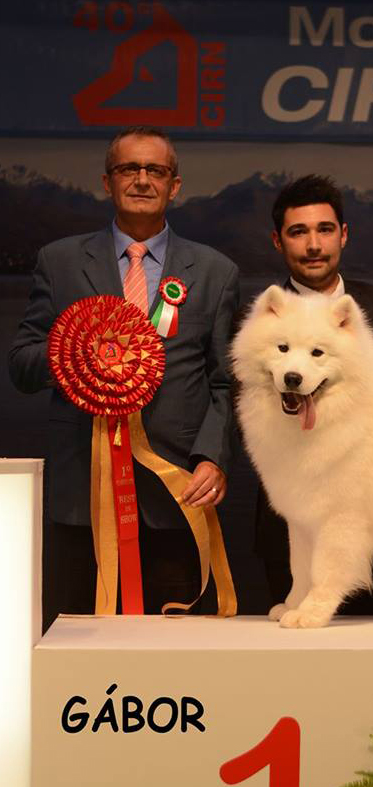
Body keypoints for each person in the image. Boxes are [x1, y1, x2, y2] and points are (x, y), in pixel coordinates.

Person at [8, 126, 239, 628]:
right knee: (77, 647)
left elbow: (224, 382)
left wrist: (212, 460)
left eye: (154, 170)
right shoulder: (60, 260)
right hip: (82, 497)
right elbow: (22, 365)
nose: (141, 180)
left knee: (176, 656)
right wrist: (75, 357)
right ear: (106, 181)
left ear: (174, 185)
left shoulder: (216, 272)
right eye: (128, 169)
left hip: (177, 492)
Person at [255, 174, 373, 615]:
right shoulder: (254, 320)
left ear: (343, 235)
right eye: (298, 232)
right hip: (293, 530)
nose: (313, 244)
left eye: (324, 230)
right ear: (278, 241)